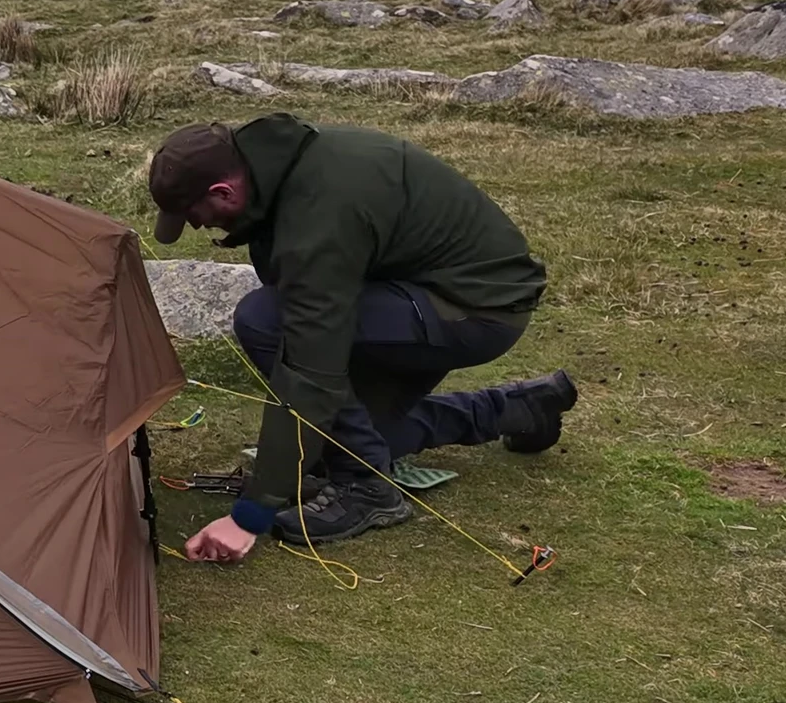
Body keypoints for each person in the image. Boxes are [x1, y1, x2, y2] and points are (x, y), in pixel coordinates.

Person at [146, 114, 576, 563]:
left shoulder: (320, 212)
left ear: (223, 192)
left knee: (264, 320)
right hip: (423, 293)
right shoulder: (283, 171)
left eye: (195, 216)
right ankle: (519, 409)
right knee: (358, 438)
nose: (197, 228)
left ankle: (368, 490)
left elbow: (311, 359)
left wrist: (251, 514)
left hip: (476, 308)